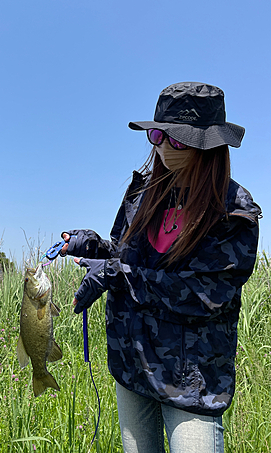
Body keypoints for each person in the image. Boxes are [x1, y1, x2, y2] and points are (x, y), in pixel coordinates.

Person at [60, 82, 262, 453]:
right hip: (131, 363)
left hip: (191, 380)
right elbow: (126, 254)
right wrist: (95, 245)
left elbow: (205, 295)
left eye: (178, 139)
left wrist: (119, 275)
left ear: (210, 145)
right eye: (157, 135)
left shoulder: (233, 211)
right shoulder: (142, 193)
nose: (164, 147)